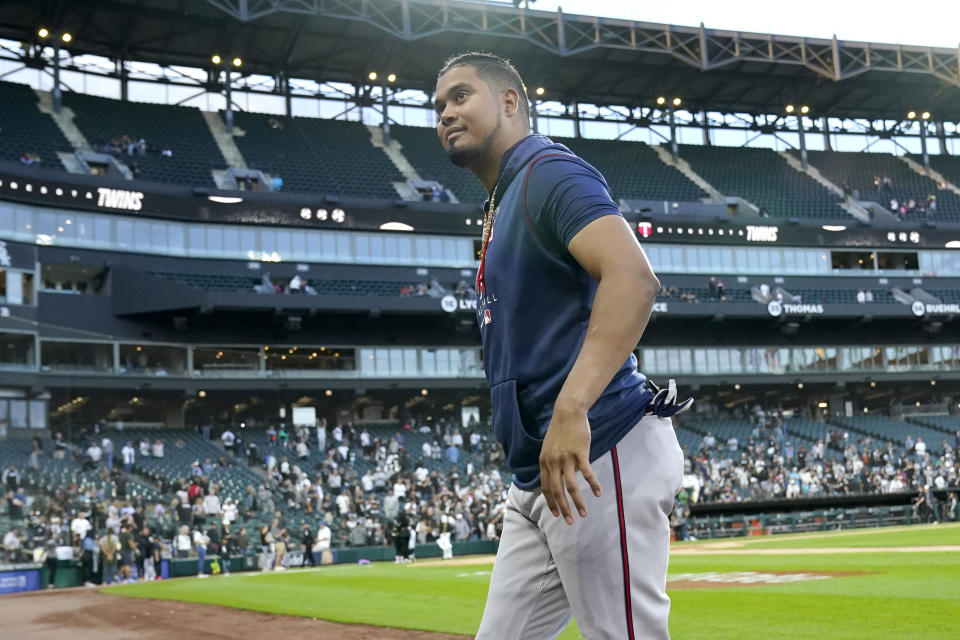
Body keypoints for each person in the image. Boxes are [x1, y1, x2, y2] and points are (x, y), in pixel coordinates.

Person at [434, 52, 691, 639]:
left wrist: (572, 409)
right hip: (538, 476)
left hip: (600, 449)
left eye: (461, 95)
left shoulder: (549, 172)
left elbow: (634, 279)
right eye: (439, 105)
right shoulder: (503, 199)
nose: (446, 112)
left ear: (509, 102)